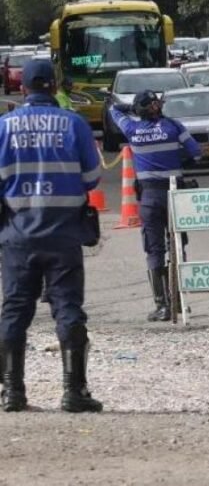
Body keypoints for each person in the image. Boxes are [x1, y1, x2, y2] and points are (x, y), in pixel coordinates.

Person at [0, 59, 103, 413]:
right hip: (64, 235)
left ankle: (12, 392)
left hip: (17, 234)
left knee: (14, 311)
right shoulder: (74, 124)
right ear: (54, 85)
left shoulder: (4, 127)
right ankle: (74, 392)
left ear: (24, 88)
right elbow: (92, 177)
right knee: (68, 310)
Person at [110, 90, 201, 321]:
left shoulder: (132, 129)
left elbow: (113, 109)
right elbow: (196, 153)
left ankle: (162, 306)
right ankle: (180, 302)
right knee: (178, 246)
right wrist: (176, 159)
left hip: (149, 197)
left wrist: (133, 108)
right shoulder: (174, 127)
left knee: (154, 250)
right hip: (175, 195)